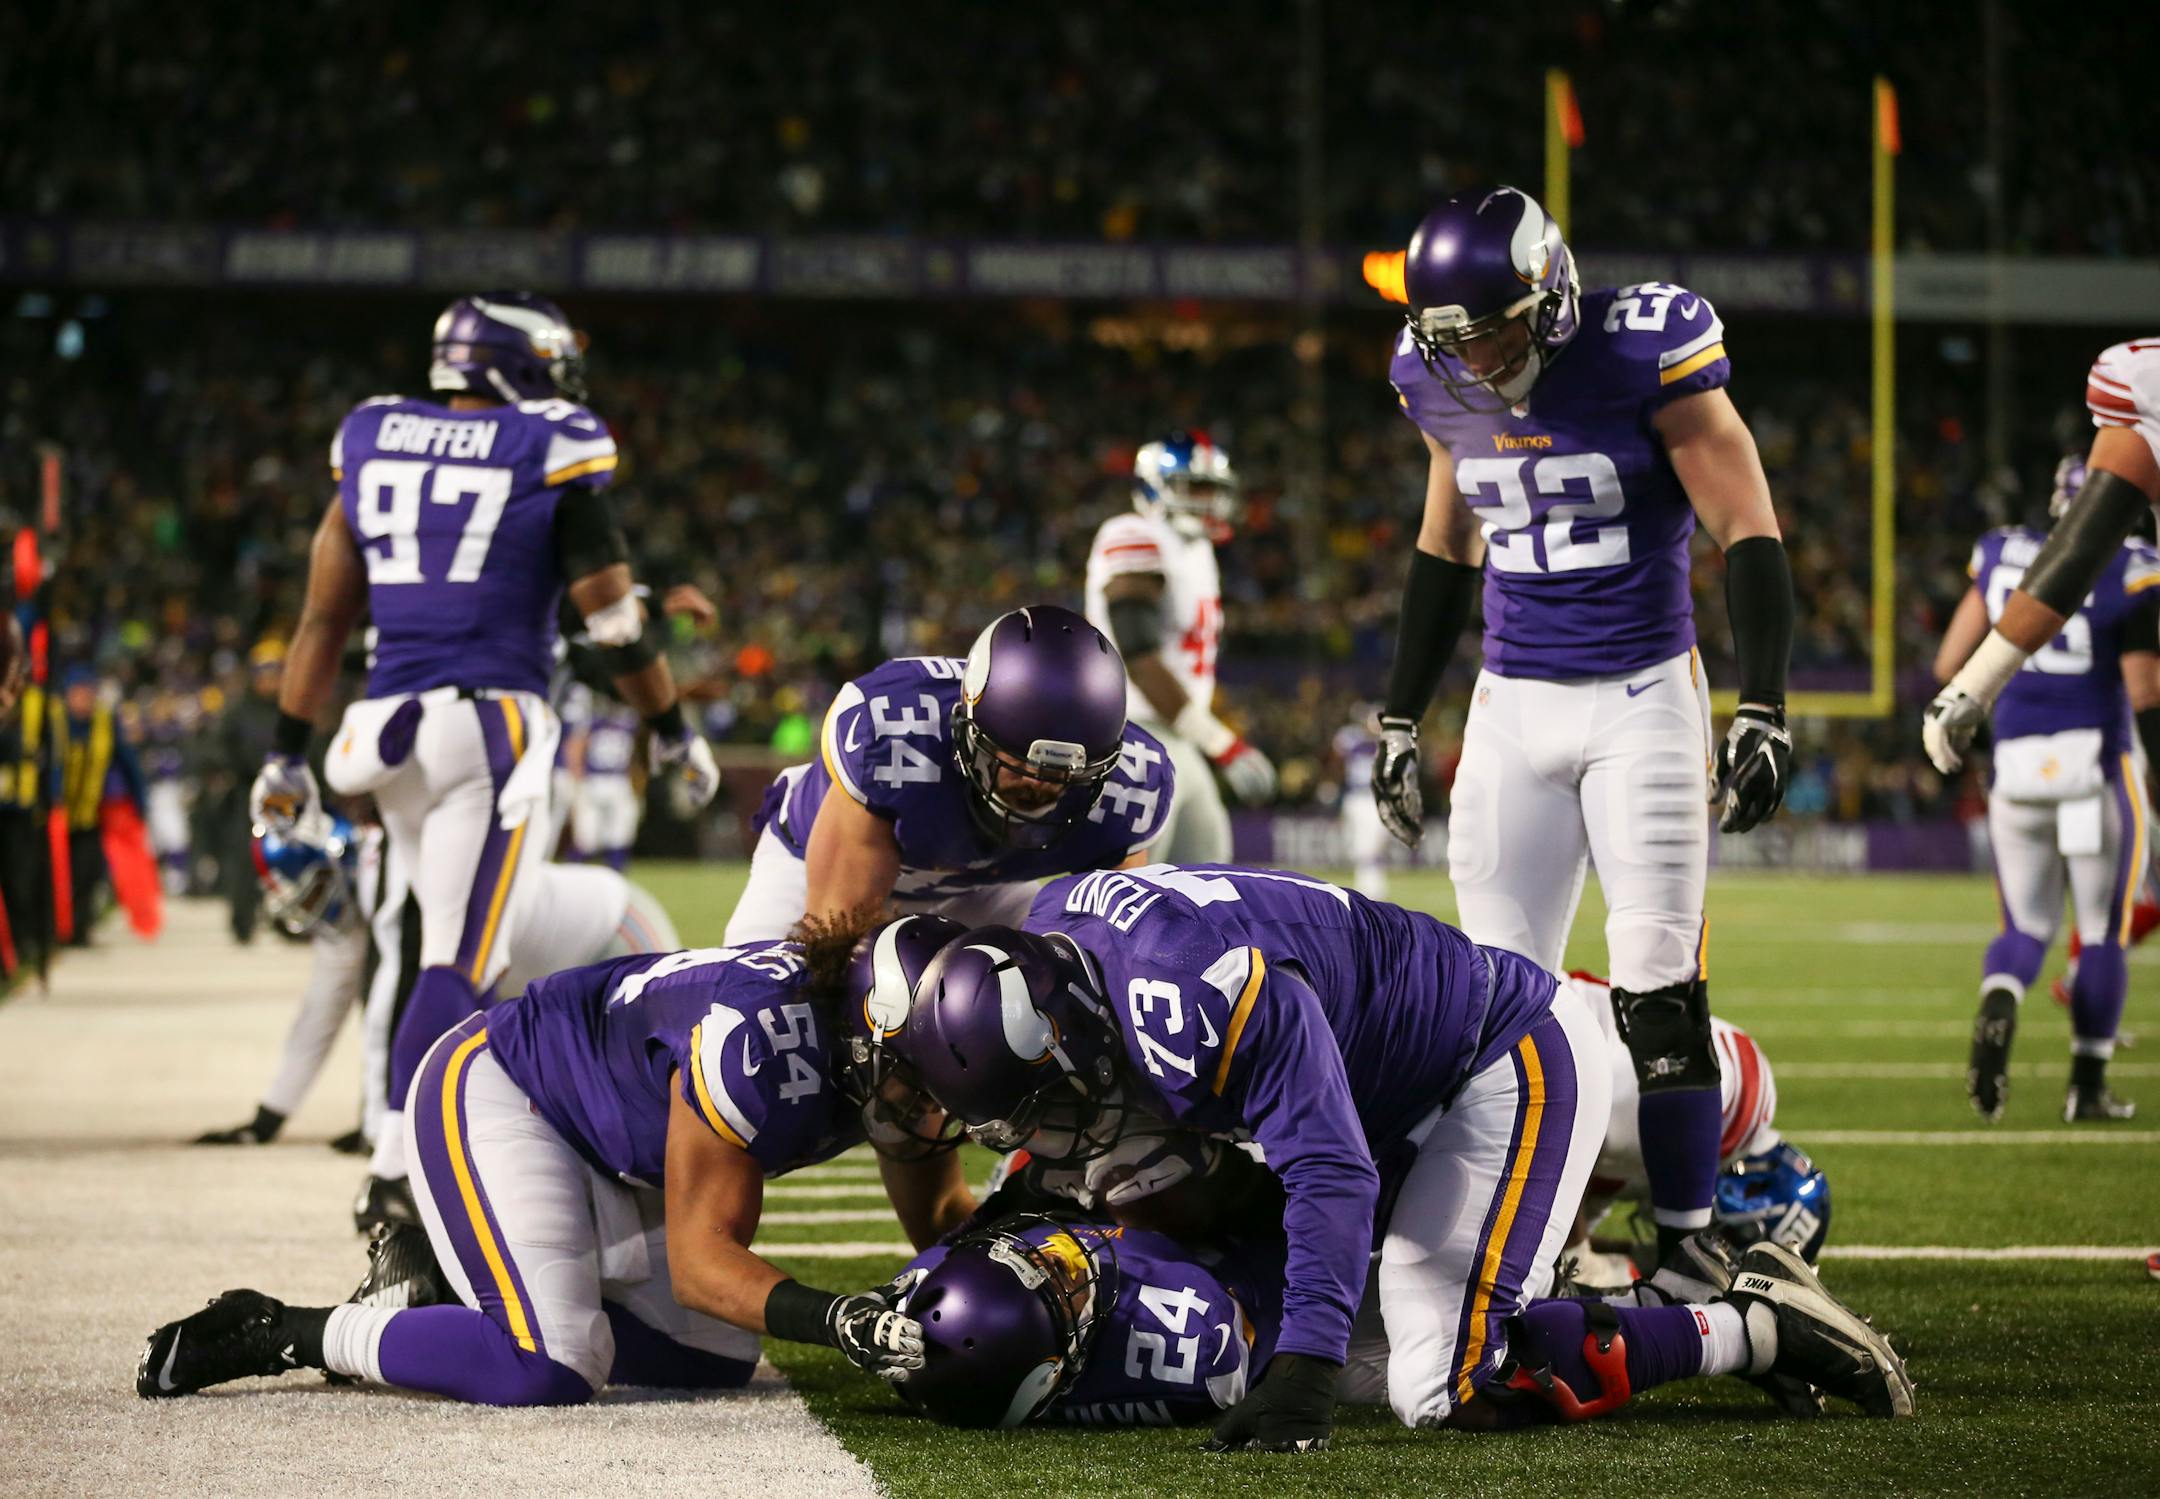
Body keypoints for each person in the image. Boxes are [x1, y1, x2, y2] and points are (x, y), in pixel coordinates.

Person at [1371, 186, 1796, 1271]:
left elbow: (1746, 523)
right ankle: (1522, 1236)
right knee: (1493, 1009)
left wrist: (1765, 702)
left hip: (1642, 698)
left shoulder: (1643, 350)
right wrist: (1399, 713)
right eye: (1453, 338)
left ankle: (1694, 1246)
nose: (1478, 356)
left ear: (1550, 294)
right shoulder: (1434, 378)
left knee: (1658, 987)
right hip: (1511, 708)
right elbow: (1444, 545)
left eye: (1496, 327)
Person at [250, 292, 719, 1215]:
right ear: (522, 366)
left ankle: (404, 1145)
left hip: (380, 730)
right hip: (486, 726)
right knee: (457, 960)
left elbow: (323, 614)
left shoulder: (376, 433)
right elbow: (614, 622)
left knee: (428, 935)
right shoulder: (546, 445)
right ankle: (397, 1174)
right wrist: (671, 729)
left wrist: (285, 755)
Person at [139, 918, 946, 1404]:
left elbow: (938, 1222)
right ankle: (286, 1330)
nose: (938, 1110)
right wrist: (837, 1316)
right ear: (869, 1037)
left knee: (719, 1354)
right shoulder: (763, 1047)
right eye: (923, 1083)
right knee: (551, 1364)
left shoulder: (887, 1043)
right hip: (502, 1085)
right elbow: (705, 1264)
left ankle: (449, 1280)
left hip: (607, 1148)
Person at [886, 1210, 1907, 1433]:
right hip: (1307, 1287)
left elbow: (942, 1270)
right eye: (1064, 1289)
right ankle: (1755, 1324)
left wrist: (866, 1313)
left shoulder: (988, 1315)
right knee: (1514, 1368)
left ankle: (1670, 1291)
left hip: (1302, 1218)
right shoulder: (1172, 1340)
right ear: (1061, 1363)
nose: (1073, 1260)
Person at [195, 811, 684, 1153]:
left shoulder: (413, 883)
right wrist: (270, 1116)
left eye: (314, 888)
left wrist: (386, 1127)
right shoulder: (365, 907)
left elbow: (467, 992)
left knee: (639, 1099)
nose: (307, 905)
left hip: (614, 930)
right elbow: (321, 1011)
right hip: (534, 968)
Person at [721, 605, 1175, 944]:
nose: (1039, 784)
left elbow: (1115, 953)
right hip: (811, 864)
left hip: (983, 887)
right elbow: (830, 942)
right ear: (971, 733)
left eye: (1063, 773)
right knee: (772, 1011)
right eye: (1018, 761)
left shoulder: (1130, 788)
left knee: (1081, 996)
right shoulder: (895, 739)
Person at [1934, 453, 2160, 1123]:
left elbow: (1953, 663)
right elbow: (2145, 690)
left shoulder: (2004, 551)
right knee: (2099, 930)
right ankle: (2086, 1086)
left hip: (2017, 766)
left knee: (2026, 926)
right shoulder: (2133, 562)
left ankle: (2001, 995)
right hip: (2094, 764)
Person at [1926, 339, 2160, 761]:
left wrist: (1973, 688)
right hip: (2094, 750)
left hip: (2022, 748)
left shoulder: (2142, 376)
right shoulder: (2136, 564)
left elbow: (2083, 549)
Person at [1083, 433, 1275, 862]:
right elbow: (1139, 654)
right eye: (1194, 488)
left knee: (1205, 871)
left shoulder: (1199, 551)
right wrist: (1221, 742)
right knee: (1127, 886)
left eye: (1214, 490)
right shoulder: (1132, 533)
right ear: (1154, 487)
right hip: (1132, 734)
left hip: (1178, 738)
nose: (1207, 502)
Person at [57, 666, 148, 945]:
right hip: (56, 812)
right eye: (77, 694)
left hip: (91, 813)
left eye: (87, 695)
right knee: (57, 876)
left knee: (87, 874)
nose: (82, 701)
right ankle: (56, 931)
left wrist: (140, 803)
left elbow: (129, 762)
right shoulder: (55, 722)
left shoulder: (105, 722)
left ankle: (80, 930)